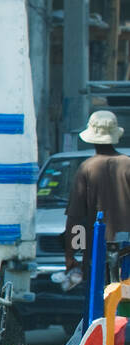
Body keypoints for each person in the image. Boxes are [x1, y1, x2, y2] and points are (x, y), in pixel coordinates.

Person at [65, 110, 130, 281]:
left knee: (97, 300)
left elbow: (75, 219)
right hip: (127, 252)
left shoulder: (86, 168)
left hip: (96, 252)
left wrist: (71, 255)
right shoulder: (128, 164)